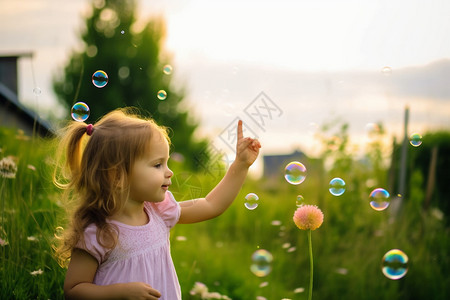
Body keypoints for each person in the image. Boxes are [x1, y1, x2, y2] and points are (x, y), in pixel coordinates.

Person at [53, 108, 261, 300]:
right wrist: (119, 293)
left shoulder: (160, 212)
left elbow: (210, 204)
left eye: (166, 162)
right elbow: (74, 290)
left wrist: (240, 164)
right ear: (117, 175)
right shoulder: (98, 233)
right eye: (158, 164)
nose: (169, 172)